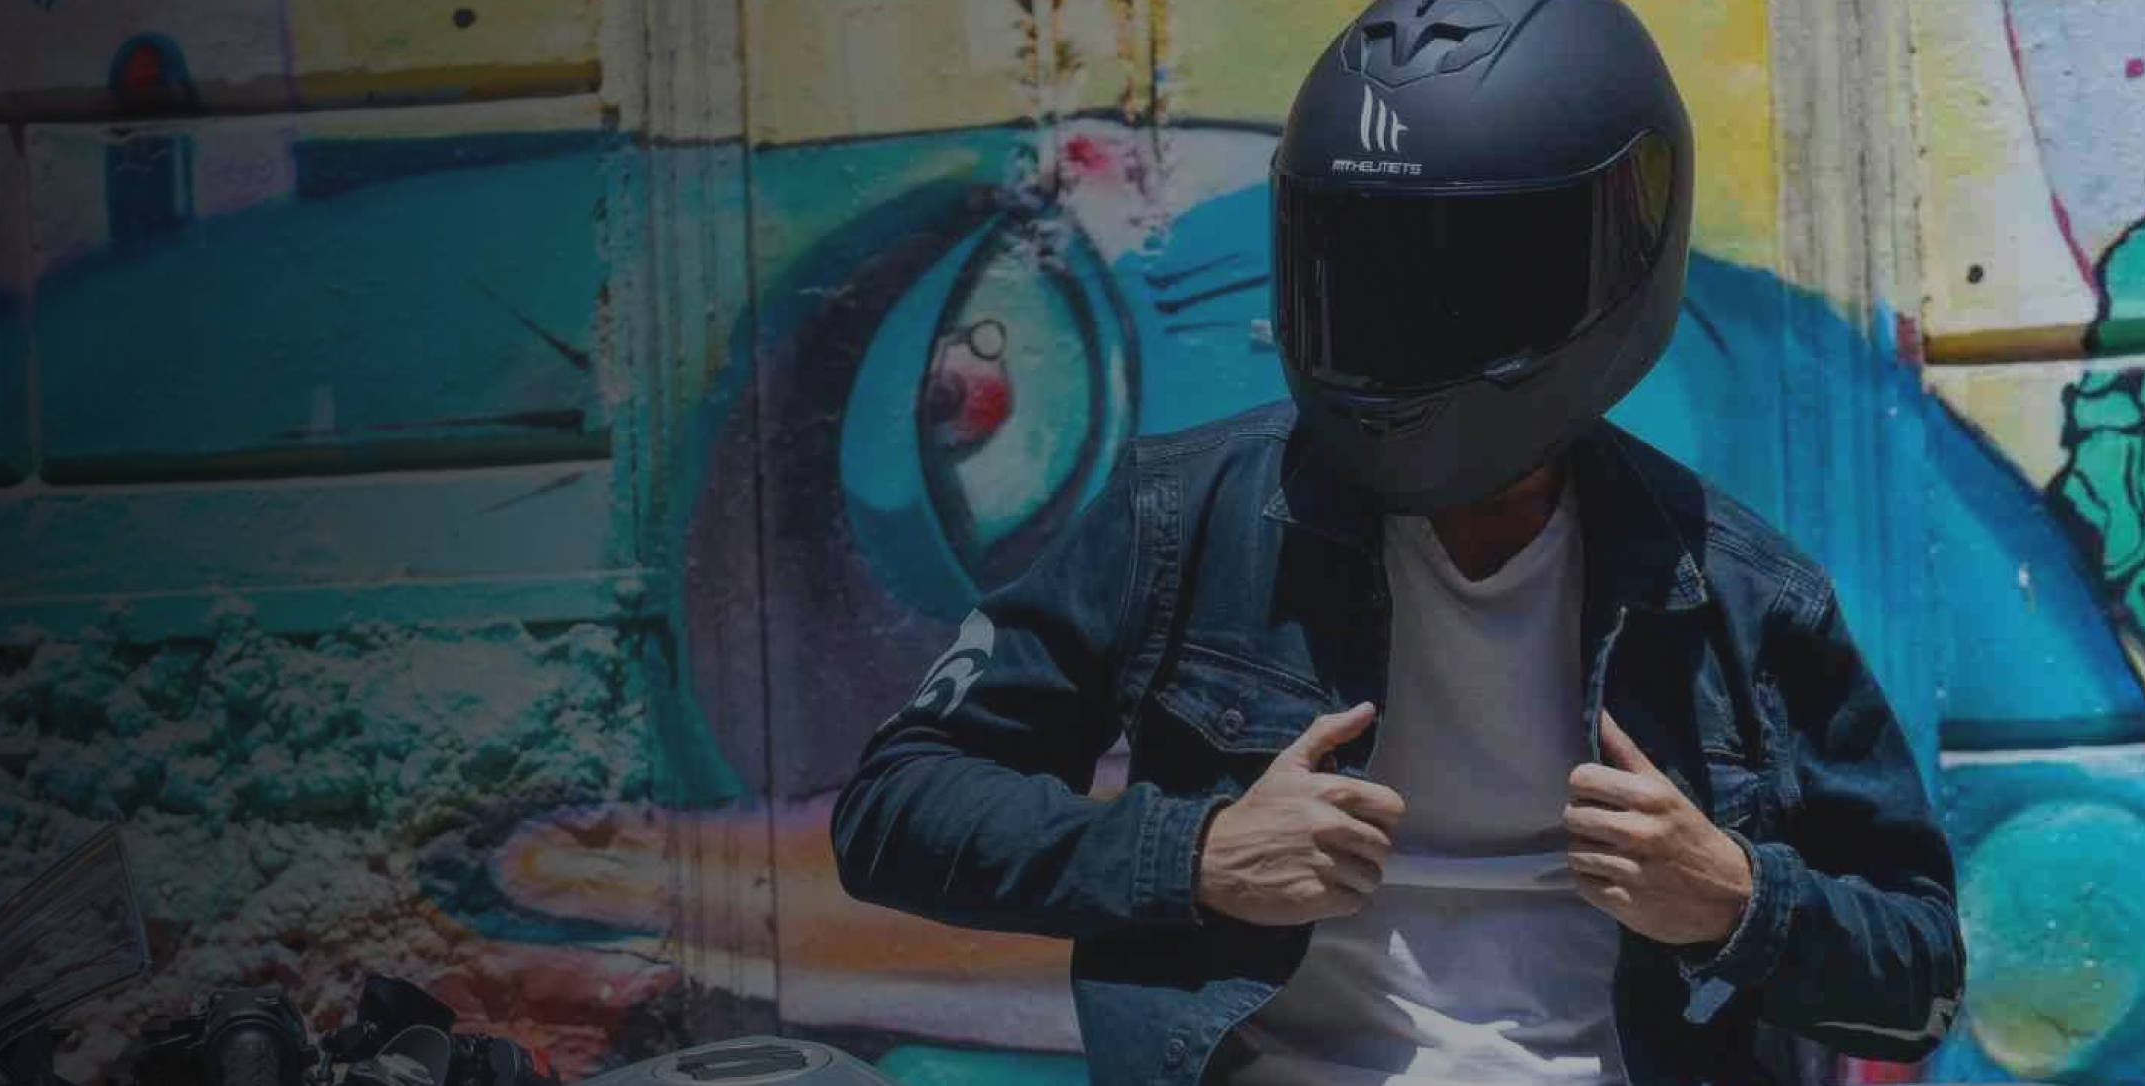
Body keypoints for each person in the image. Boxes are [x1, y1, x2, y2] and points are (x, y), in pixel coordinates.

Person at [828, 1, 1965, 1084]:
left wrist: (1731, 901)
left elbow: (1921, 982)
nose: (1400, 322)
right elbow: (895, 809)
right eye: (1364, 268)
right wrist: (1196, 855)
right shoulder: (1182, 519)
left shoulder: (1742, 596)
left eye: (1460, 281)